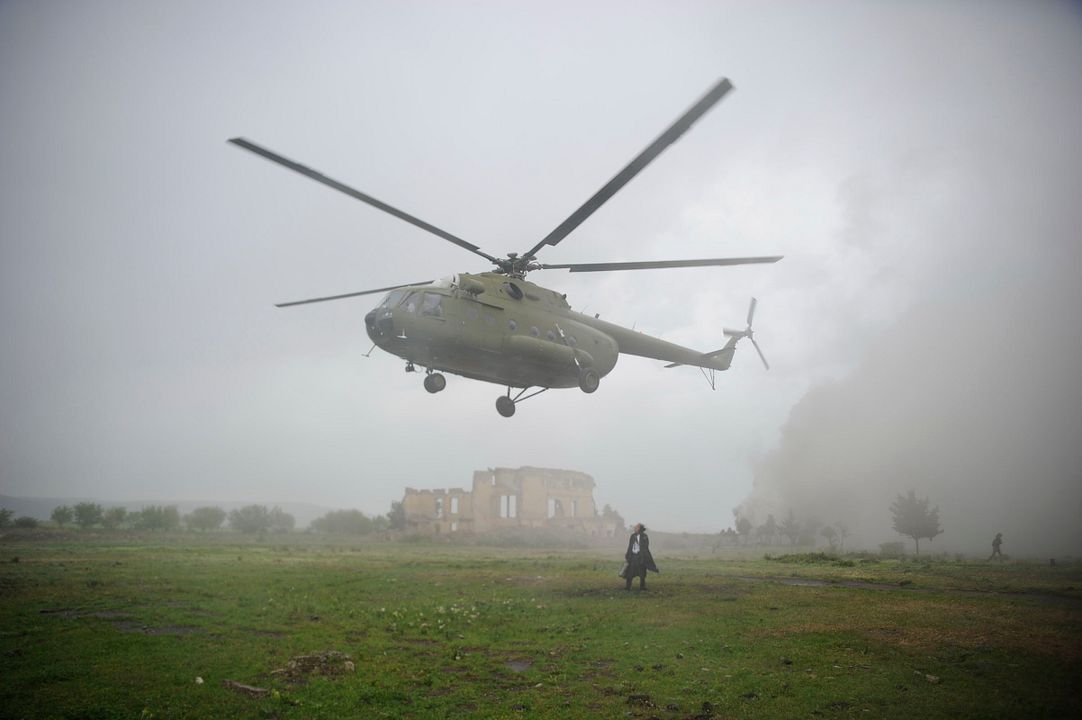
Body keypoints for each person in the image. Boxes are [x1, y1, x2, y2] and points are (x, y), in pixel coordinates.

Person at [624, 523, 659, 591]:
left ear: (640, 529)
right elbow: (630, 546)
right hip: (633, 556)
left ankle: (642, 587)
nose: (635, 528)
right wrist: (628, 554)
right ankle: (628, 587)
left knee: (642, 572)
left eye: (636, 527)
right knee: (630, 572)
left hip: (640, 557)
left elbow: (645, 547)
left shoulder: (644, 536)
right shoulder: (633, 536)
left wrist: (643, 556)